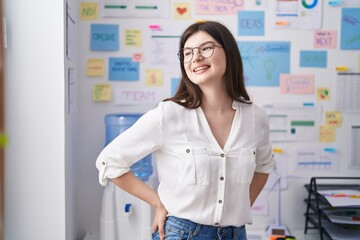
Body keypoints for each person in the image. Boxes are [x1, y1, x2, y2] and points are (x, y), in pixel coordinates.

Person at [96, 20, 274, 240]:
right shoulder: (169, 114)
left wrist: (238, 208)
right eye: (188, 53)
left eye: (206, 48)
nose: (196, 57)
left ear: (229, 52)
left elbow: (264, 167)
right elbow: (109, 162)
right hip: (181, 233)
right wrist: (157, 203)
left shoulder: (256, 117)